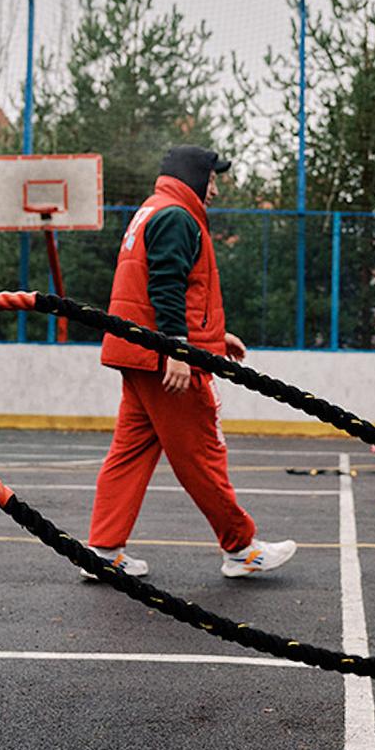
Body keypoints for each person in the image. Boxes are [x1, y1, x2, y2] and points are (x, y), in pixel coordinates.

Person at [83, 145, 297, 580]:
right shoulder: (177, 217)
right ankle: (241, 548)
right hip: (164, 359)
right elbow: (166, 286)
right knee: (203, 457)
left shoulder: (153, 209)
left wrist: (213, 337)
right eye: (212, 179)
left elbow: (161, 288)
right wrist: (178, 350)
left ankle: (104, 550)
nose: (214, 189)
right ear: (193, 176)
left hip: (140, 355)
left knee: (129, 454)